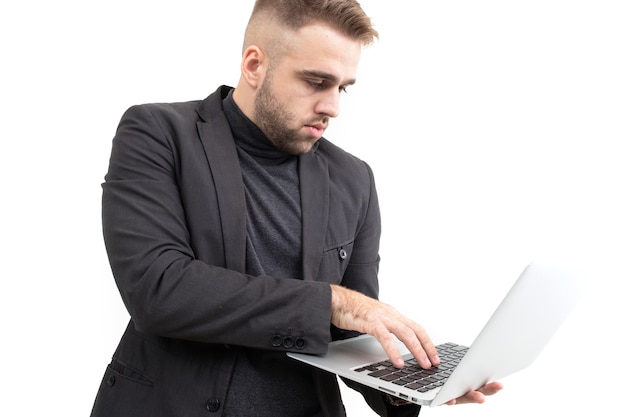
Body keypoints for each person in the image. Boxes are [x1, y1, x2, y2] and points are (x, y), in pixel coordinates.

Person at [90, 1, 503, 416]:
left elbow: (349, 335)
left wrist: (408, 385)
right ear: (254, 64)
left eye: (341, 87)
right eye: (316, 81)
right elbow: (158, 290)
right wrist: (332, 302)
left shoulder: (353, 179)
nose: (332, 107)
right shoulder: (157, 134)